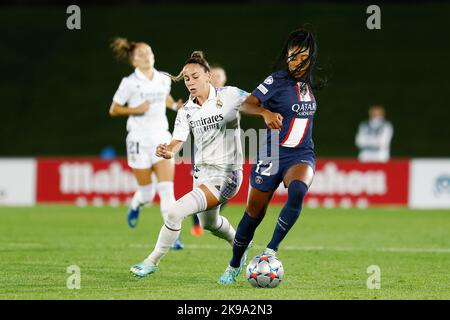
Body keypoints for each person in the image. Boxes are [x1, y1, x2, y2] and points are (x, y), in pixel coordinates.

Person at [129, 51, 251, 277]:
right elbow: (177, 141)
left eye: (195, 76)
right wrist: (168, 150)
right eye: (186, 79)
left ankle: (152, 260)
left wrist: (272, 111)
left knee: (175, 211)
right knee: (210, 224)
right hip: (203, 175)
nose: (190, 82)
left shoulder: (230, 95)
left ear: (208, 76)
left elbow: (258, 100)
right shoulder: (186, 111)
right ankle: (240, 247)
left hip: (227, 176)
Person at [218, 28, 323, 284]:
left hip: (301, 153)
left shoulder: (308, 85)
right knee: (253, 215)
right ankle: (234, 265)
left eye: (303, 57)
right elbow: (246, 103)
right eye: (293, 56)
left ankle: (270, 250)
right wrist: (265, 113)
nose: (298, 62)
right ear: (286, 57)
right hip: (272, 154)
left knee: (298, 190)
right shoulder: (276, 80)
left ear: (311, 59)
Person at [109, 37, 184, 249]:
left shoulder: (163, 78)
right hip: (138, 140)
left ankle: (173, 235)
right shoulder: (129, 83)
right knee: (147, 194)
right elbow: (114, 109)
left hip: (161, 136)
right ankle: (135, 205)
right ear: (133, 61)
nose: (146, 56)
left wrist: (174, 106)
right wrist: (135, 109)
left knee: (167, 190)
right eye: (141, 54)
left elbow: (165, 97)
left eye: (148, 52)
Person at [190, 64, 228, 237]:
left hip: (227, 155)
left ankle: (212, 220)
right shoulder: (199, 100)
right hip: (205, 155)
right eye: (215, 76)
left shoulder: (230, 97)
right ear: (209, 78)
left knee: (225, 190)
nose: (218, 78)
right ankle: (198, 224)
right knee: (200, 191)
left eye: (221, 76)